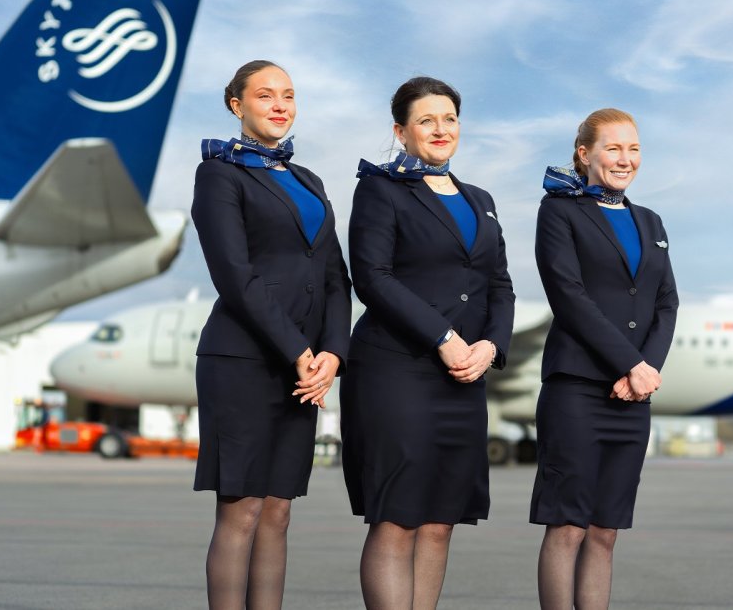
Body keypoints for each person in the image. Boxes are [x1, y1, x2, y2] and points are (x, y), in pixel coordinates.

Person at [341, 76, 515, 609]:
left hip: (462, 376)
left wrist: (490, 347)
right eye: (426, 120)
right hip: (397, 368)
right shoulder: (381, 188)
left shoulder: (479, 199)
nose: (441, 129)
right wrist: (443, 337)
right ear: (401, 131)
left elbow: (499, 284)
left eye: (449, 119)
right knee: (398, 517)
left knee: (440, 521)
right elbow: (372, 275)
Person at [190, 60, 352, 609]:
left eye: (288, 94)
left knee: (279, 511)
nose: (280, 104)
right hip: (242, 360)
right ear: (237, 105)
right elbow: (235, 276)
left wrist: (332, 351)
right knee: (243, 510)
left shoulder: (310, 181)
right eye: (265, 95)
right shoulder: (219, 173)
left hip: (303, 369)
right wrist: (299, 350)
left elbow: (335, 276)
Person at [531, 108, 678, 610]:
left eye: (633, 149)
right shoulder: (560, 211)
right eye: (613, 148)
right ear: (584, 154)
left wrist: (645, 371)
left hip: (633, 398)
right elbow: (568, 295)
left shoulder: (650, 221)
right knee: (568, 528)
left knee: (604, 533)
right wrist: (627, 365)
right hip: (577, 389)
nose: (625, 159)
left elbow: (666, 303)